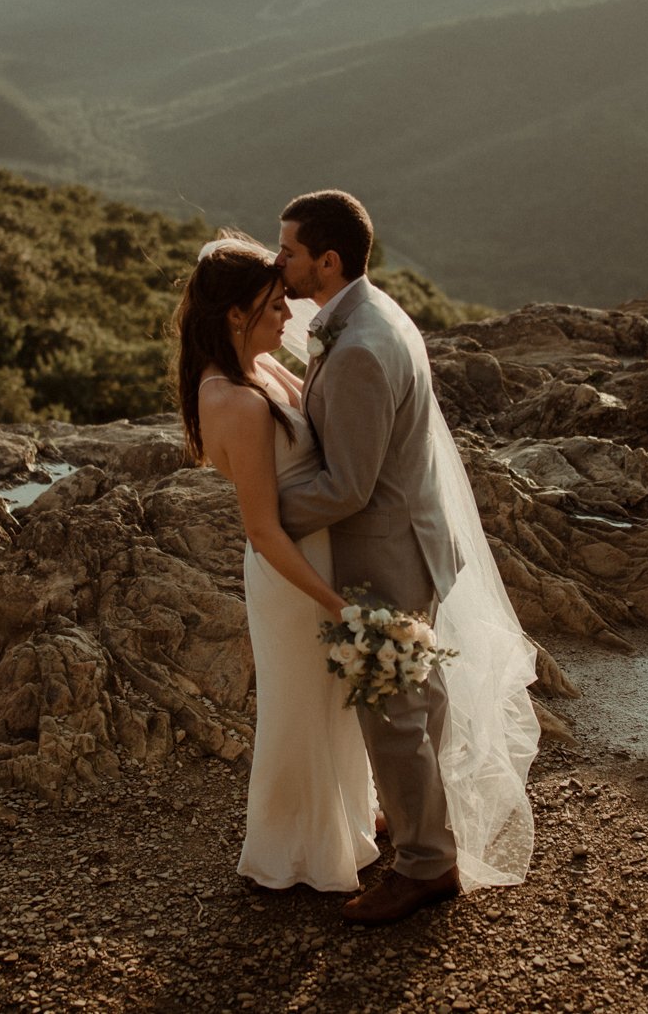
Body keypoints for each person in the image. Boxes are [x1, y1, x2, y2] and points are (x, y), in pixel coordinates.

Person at [273, 189, 538, 925]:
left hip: (384, 554)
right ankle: (415, 817)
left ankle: (426, 866)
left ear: (327, 261)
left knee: (394, 711)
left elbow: (349, 487)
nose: (278, 261)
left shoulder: (358, 347)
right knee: (418, 701)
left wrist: (265, 515)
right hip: (411, 539)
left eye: (289, 250)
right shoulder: (369, 315)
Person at [174, 231, 380, 893]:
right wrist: (335, 602)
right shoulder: (232, 398)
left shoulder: (261, 370)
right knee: (298, 710)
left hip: (319, 560)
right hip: (293, 579)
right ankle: (289, 850)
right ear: (235, 314)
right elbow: (262, 529)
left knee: (334, 704)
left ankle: (346, 829)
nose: (289, 316)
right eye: (273, 306)